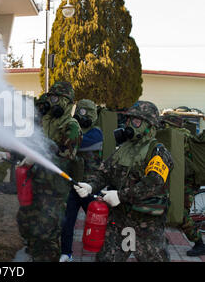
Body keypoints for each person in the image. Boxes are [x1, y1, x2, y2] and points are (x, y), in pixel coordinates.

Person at [0, 81, 82, 262]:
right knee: (27, 226)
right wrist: (8, 154)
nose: (52, 102)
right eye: (50, 97)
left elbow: (66, 156)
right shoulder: (43, 123)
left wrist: (40, 155)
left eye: (56, 98)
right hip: (34, 186)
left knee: (47, 236)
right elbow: (28, 148)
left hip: (54, 191)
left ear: (67, 102)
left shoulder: (71, 126)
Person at [75, 101, 174, 262]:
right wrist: (91, 185)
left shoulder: (157, 152)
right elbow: (104, 172)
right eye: (128, 120)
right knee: (106, 258)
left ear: (149, 125)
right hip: (119, 220)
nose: (129, 125)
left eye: (135, 121)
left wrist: (120, 196)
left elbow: (153, 184)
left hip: (146, 224)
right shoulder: (123, 149)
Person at [60, 99, 103, 262]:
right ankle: (66, 253)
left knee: (98, 220)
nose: (80, 116)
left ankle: (105, 250)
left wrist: (66, 138)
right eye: (79, 112)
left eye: (85, 113)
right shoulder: (74, 130)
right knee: (67, 222)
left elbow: (78, 144)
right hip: (73, 185)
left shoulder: (96, 133)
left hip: (90, 187)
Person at [159, 114, 205, 256]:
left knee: (180, 213)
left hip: (187, 183)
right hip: (179, 181)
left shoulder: (180, 138)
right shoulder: (180, 136)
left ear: (170, 125)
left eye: (164, 125)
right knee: (162, 207)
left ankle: (199, 243)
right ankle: (159, 238)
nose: (162, 127)